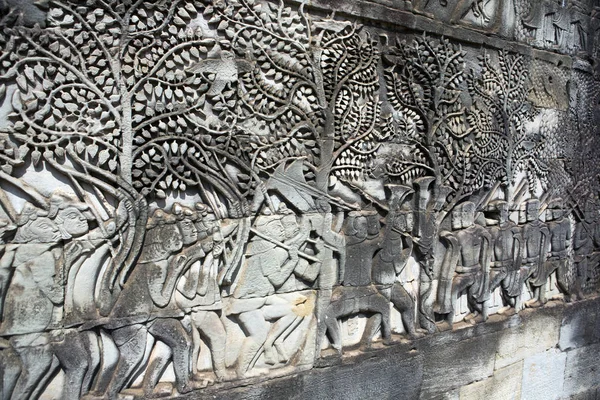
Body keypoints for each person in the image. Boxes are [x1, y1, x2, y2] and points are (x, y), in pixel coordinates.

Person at [436, 202, 491, 327]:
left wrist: (447, 235)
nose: (456, 219)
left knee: (471, 297)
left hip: (472, 273)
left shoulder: (474, 233)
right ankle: (450, 320)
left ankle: (480, 314)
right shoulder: (478, 232)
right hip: (466, 273)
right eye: (455, 216)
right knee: (455, 293)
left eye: (459, 215)